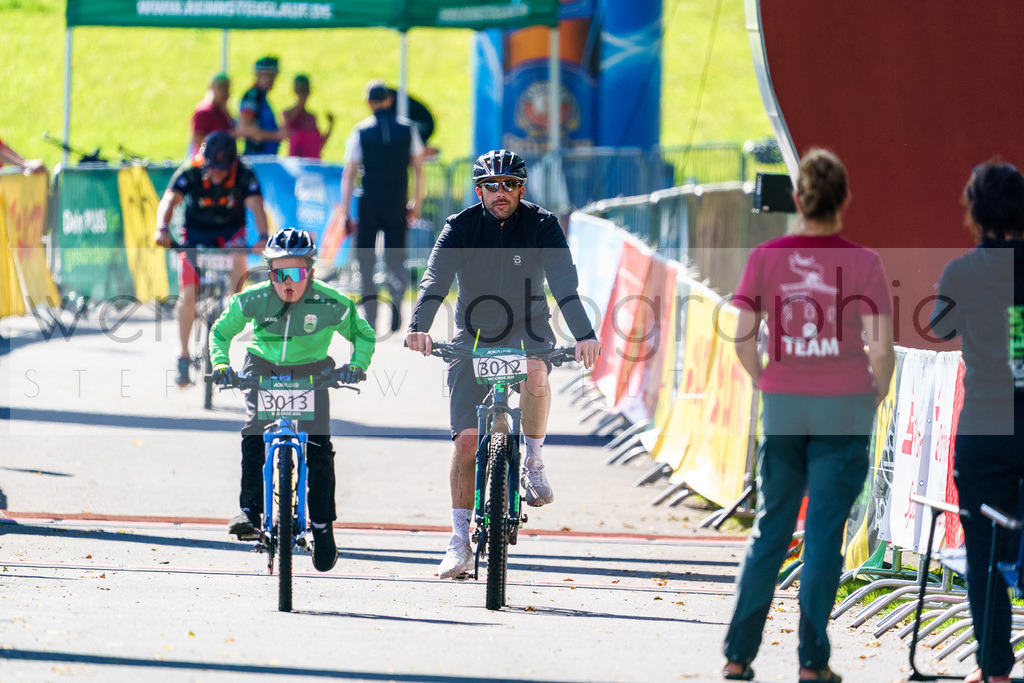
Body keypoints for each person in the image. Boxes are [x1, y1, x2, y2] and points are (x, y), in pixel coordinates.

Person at [723, 149, 895, 682]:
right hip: (845, 407)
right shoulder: (864, 262)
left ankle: (738, 655)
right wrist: (875, 392)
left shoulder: (767, 256)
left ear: (797, 199)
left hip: (785, 404)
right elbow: (882, 349)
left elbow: (741, 336)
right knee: (823, 534)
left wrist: (766, 379)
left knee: (772, 529)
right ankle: (811, 662)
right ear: (844, 200)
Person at [405, 149, 602, 580]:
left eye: (509, 185)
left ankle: (532, 459)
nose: (501, 193)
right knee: (466, 444)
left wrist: (584, 334)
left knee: (536, 371)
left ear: (521, 189)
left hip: (529, 328)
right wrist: (419, 325)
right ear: (479, 191)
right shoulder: (460, 227)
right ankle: (458, 541)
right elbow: (434, 280)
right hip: (473, 336)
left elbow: (565, 284)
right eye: (491, 186)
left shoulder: (542, 224)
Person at [208, 228, 375, 572]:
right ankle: (250, 511)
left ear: (311, 273)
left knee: (319, 449)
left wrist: (356, 366)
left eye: (296, 273)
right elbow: (221, 332)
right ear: (268, 273)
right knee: (254, 431)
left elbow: (363, 333)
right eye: (277, 273)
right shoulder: (252, 299)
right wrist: (221, 364)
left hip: (313, 371)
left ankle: (323, 527)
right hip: (263, 366)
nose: (287, 282)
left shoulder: (330, 302)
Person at [929, 161, 1024, 683]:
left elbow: (938, 327)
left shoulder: (963, 272)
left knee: (985, 550)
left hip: (985, 426)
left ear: (975, 212)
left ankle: (994, 669)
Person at [154, 131, 270, 388]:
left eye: (222, 169)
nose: (216, 174)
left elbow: (256, 207)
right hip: (196, 233)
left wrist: (262, 236)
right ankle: (183, 355)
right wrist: (161, 229)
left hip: (230, 232)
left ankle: (232, 303)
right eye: (211, 168)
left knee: (239, 255)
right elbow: (169, 200)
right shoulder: (190, 171)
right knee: (188, 293)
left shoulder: (245, 174)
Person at [339, 79, 426, 334]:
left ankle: (371, 315)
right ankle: (397, 309)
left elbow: (350, 172)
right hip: (397, 199)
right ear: (389, 100)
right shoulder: (407, 129)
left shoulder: (361, 131)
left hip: (370, 201)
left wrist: (345, 211)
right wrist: (416, 201)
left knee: (366, 261)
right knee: (396, 257)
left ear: (369, 102)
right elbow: (419, 169)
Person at [237, 56, 287, 156]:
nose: (273, 81)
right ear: (259, 75)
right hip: (256, 159)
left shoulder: (263, 98)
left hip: (266, 158)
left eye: (274, 76)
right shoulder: (252, 97)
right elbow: (244, 128)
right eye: (269, 76)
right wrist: (276, 135)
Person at [283, 74, 333, 159]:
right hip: (297, 165)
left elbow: (319, 144)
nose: (303, 93)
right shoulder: (288, 114)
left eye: (305, 90)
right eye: (301, 90)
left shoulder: (311, 117)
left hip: (314, 164)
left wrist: (331, 125)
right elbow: (286, 132)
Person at [189, 72, 234, 155]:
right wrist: (216, 148)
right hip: (208, 161)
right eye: (221, 87)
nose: (224, 92)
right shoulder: (204, 111)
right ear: (212, 88)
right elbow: (197, 138)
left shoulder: (223, 111)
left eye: (227, 88)